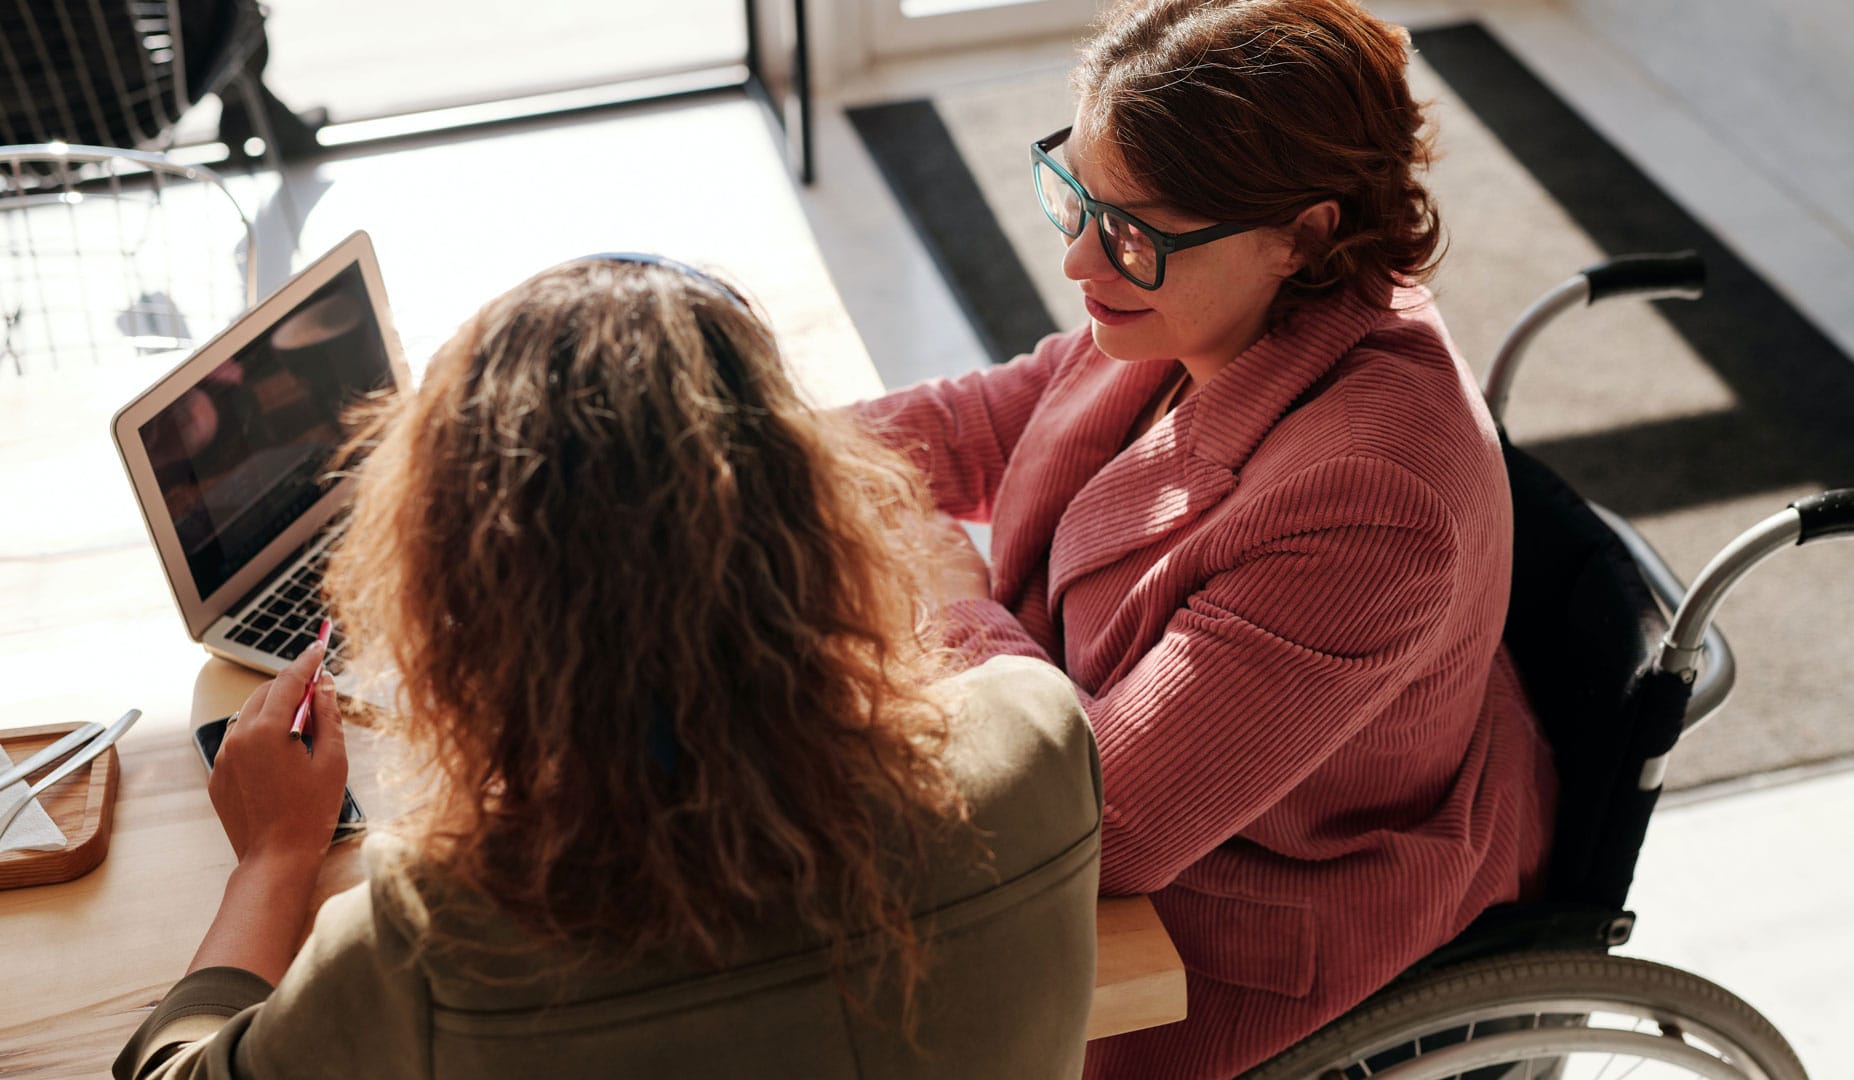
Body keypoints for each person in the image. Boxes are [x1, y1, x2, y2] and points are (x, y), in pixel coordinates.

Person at [115, 256, 1104, 1079]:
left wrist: (274, 859)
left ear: (464, 604)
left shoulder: (436, 936)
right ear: (818, 518)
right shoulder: (1040, 738)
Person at [854, 1, 1559, 1075]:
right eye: (1073, 196)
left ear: (1306, 234)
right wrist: (734, 448)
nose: (1079, 262)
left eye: (1128, 232)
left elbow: (1112, 825)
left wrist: (948, 590)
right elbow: (998, 416)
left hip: (1240, 920)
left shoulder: (1371, 500)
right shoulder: (1201, 297)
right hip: (1148, 791)